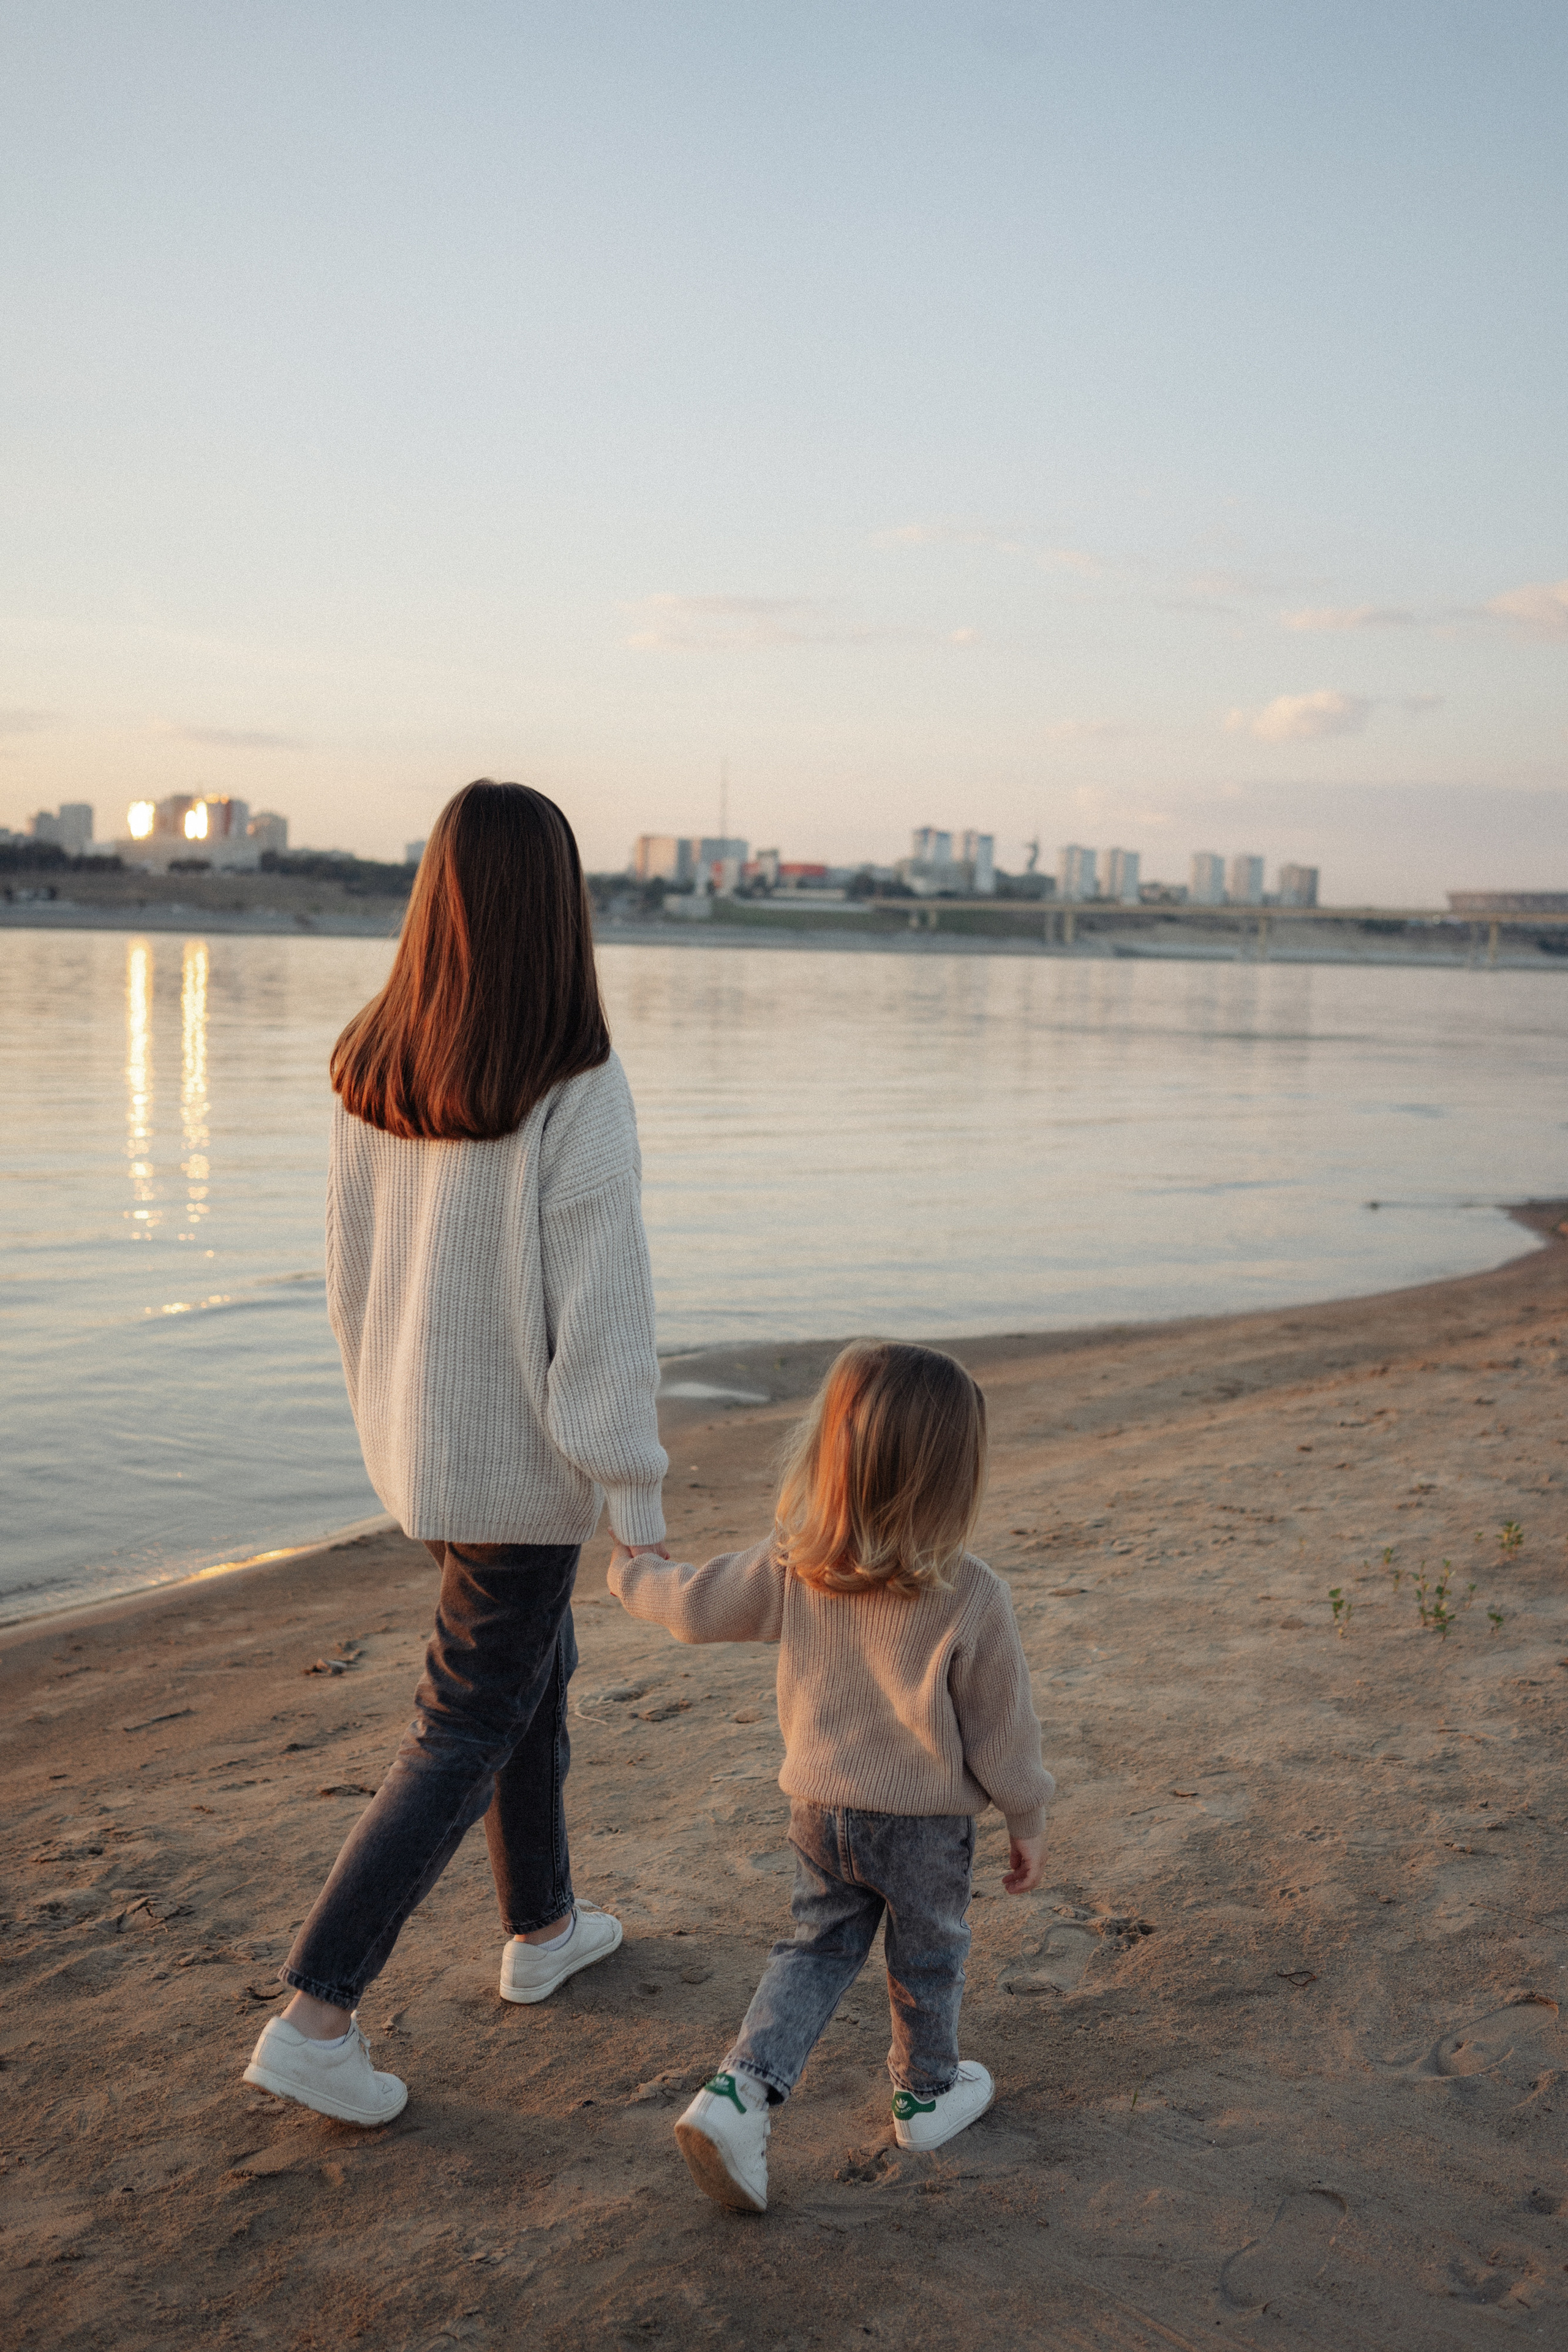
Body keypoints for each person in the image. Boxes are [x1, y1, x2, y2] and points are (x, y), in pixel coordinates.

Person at [243, 780, 670, 2127]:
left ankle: (542, 1929)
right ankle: (316, 2013)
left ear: (435, 899)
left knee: (527, 1678)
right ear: (560, 907)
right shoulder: (574, 1084)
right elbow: (602, 1325)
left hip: (422, 1451)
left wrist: (388, 1414)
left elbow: (345, 1276)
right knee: (466, 1724)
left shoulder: (375, 1060)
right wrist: (635, 1499)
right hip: (518, 1468)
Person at [608, 1340, 1054, 2215]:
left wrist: (635, 1573)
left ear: (831, 1455)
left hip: (819, 1810)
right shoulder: (971, 1593)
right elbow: (1004, 1732)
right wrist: (1027, 1816)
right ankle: (926, 2094)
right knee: (928, 1955)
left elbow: (694, 1606)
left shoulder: (797, 1565)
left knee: (815, 1949)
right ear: (956, 1476)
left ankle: (738, 2094)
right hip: (924, 1826)